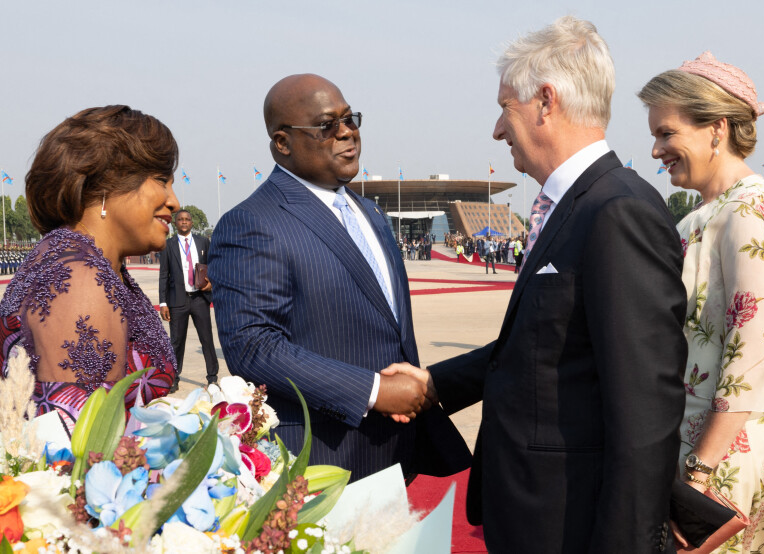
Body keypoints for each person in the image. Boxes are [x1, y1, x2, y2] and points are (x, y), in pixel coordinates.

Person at [387, 16, 687, 552]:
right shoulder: (577, 206)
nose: (498, 130)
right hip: (534, 513)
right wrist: (434, 385)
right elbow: (539, 347)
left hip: (571, 521)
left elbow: (645, 414)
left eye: (506, 108)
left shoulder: (617, 212)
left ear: (546, 102)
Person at [209, 73, 470, 482]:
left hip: (398, 452)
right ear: (282, 142)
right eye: (327, 125)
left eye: (351, 120)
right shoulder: (252, 223)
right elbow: (253, 346)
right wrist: (372, 391)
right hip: (324, 460)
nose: (347, 133)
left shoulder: (371, 214)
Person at [639, 52, 764, 552]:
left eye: (666, 133)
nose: (655, 150)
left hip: (732, 456)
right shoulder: (706, 215)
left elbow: (750, 351)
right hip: (704, 449)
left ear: (716, 129)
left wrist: (701, 471)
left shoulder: (753, 209)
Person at [0, 105, 178, 433]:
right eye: (161, 180)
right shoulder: (77, 278)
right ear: (109, 182)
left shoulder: (89, 263)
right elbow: (81, 448)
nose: (174, 200)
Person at [159, 209, 219, 391]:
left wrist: (211, 284)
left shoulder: (202, 242)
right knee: (176, 341)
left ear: (192, 223)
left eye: (187, 219)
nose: (184, 222)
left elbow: (213, 266)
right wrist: (163, 303)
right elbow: (163, 275)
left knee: (207, 339)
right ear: (175, 224)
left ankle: (212, 378)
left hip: (200, 299)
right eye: (180, 219)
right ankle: (174, 378)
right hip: (178, 300)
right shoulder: (168, 245)